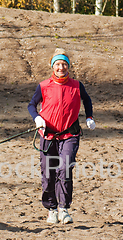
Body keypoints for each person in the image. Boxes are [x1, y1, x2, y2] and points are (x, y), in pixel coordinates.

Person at [28, 48, 95, 224]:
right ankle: (51, 209)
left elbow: (87, 100)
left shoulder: (77, 85)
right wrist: (37, 119)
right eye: (58, 64)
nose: (61, 67)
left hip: (70, 134)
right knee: (49, 173)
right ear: (52, 66)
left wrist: (89, 117)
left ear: (68, 66)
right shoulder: (43, 86)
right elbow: (31, 105)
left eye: (64, 64)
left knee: (65, 168)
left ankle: (64, 209)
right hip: (48, 135)